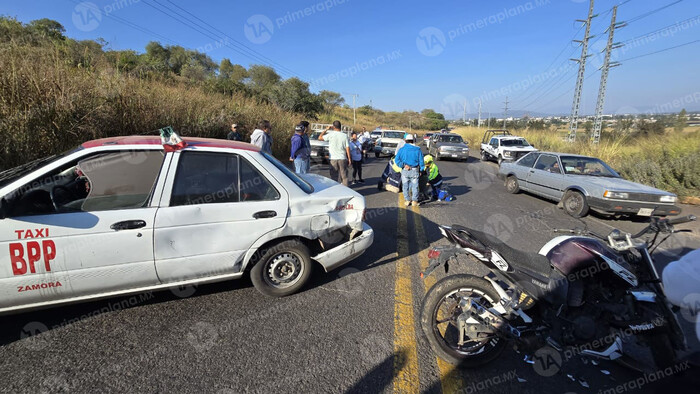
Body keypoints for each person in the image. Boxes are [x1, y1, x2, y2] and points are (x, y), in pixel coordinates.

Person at [394, 134, 424, 206]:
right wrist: (421, 170)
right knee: (415, 186)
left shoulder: (402, 149)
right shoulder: (418, 150)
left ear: (405, 140)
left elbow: (396, 160)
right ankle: (414, 201)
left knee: (405, 186)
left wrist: (403, 165)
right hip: (415, 170)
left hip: (405, 170)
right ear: (413, 140)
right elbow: (421, 161)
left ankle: (407, 200)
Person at [319, 120, 351, 186]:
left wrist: (326, 129)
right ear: (340, 126)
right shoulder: (345, 136)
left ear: (333, 127)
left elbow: (320, 137)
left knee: (334, 177)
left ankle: (335, 190)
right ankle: (345, 190)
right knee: (344, 176)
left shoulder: (330, 135)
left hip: (333, 158)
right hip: (342, 158)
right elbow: (347, 148)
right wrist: (349, 158)